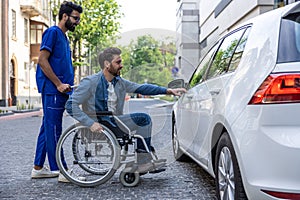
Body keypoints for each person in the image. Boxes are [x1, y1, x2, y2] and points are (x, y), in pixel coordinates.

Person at [65, 47, 186, 173]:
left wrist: (168, 91)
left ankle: (143, 158)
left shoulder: (119, 82)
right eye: (118, 62)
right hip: (102, 123)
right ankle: (143, 161)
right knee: (143, 119)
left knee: (142, 120)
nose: (121, 66)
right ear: (107, 64)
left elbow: (141, 88)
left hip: (114, 122)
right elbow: (70, 105)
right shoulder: (90, 82)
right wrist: (90, 123)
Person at [31, 1, 83, 182]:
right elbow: (42, 61)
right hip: (53, 90)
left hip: (61, 90)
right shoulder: (53, 32)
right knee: (54, 130)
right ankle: (62, 170)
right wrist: (59, 83)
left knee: (47, 128)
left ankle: (38, 168)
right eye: (75, 18)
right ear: (64, 16)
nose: (77, 22)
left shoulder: (64, 37)